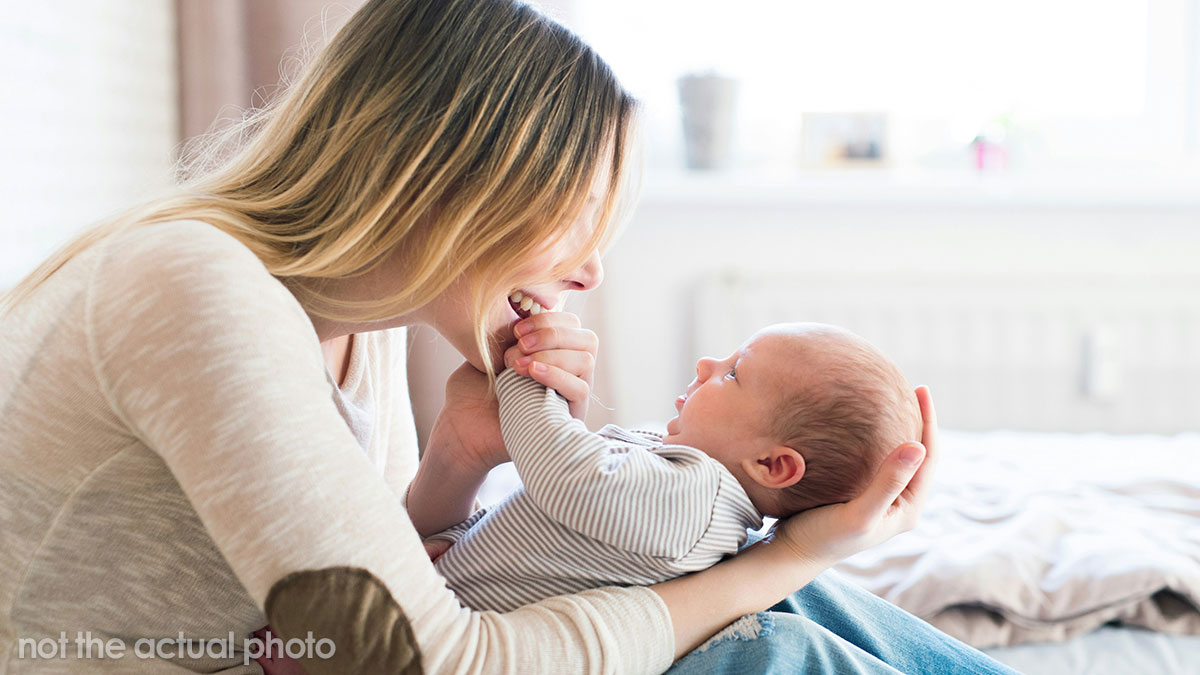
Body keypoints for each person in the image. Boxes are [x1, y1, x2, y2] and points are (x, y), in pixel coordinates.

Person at [0, 0, 1014, 672]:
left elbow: (341, 582)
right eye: (579, 220)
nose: (589, 271)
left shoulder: (364, 318)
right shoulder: (196, 289)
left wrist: (453, 460)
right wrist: (790, 554)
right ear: (459, 182)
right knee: (760, 639)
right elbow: (433, 661)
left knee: (789, 621)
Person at [413, 322, 922, 612]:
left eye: (733, 374)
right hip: (446, 597)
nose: (706, 367)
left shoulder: (696, 502)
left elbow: (565, 474)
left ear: (771, 464)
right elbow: (536, 526)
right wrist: (460, 539)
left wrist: (526, 377)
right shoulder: (684, 471)